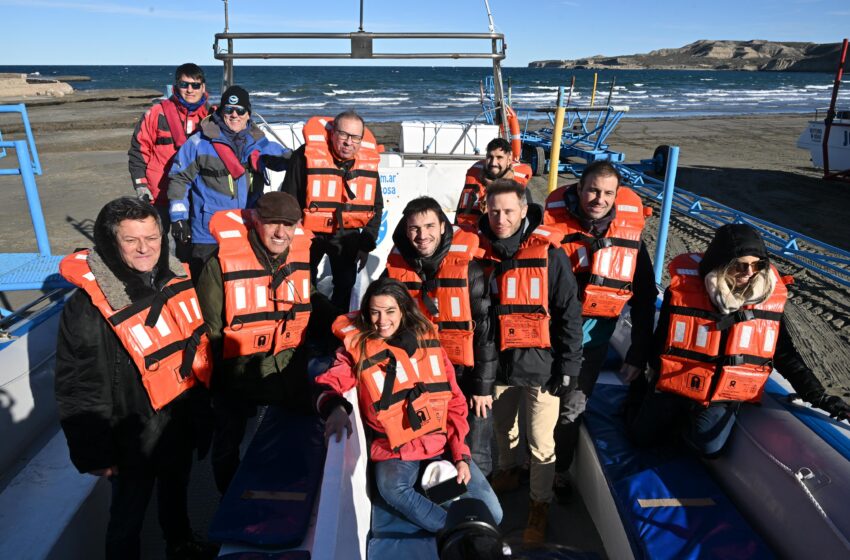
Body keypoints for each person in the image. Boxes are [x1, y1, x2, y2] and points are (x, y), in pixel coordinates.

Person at [55, 197, 216, 560]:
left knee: (177, 491)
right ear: (113, 243)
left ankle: (181, 544)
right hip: (130, 434)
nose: (145, 249)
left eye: (153, 238)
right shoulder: (86, 309)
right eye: (131, 240)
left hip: (177, 419)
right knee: (127, 519)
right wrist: (95, 451)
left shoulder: (172, 278)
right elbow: (79, 386)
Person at [627, 223, 850, 456]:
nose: (749, 272)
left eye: (758, 265)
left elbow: (784, 353)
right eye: (740, 265)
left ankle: (684, 423)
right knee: (640, 437)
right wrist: (647, 372)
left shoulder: (767, 302)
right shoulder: (684, 292)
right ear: (720, 264)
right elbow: (663, 335)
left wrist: (819, 396)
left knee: (709, 446)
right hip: (676, 381)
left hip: (722, 395)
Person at [317, 278, 502, 533]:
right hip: (395, 451)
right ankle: (454, 533)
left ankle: (436, 492)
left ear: (403, 310)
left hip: (438, 446)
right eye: (375, 312)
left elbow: (455, 404)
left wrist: (460, 456)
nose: (382, 321)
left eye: (390, 311)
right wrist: (336, 408)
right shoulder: (356, 348)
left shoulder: (430, 344)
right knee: (392, 488)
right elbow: (331, 381)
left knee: (494, 512)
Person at [196, 191, 340, 493]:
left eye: (289, 225)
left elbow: (309, 298)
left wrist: (342, 324)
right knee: (226, 446)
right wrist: (218, 387)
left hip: (286, 367)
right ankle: (229, 501)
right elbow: (211, 330)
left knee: (303, 428)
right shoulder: (219, 265)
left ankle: (293, 486)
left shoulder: (298, 257)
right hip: (237, 374)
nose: (281, 233)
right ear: (256, 222)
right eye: (273, 223)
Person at [476, 180, 583, 544]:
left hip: (543, 368)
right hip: (499, 365)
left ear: (524, 211)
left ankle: (540, 504)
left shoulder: (551, 257)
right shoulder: (480, 255)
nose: (500, 219)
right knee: (502, 429)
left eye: (508, 211)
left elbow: (569, 314)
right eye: (494, 212)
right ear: (485, 212)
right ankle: (508, 470)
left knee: (540, 443)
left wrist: (569, 368)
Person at [543, 160, 657, 502]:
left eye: (608, 193)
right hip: (546, 336)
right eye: (593, 190)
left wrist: (638, 354)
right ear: (579, 189)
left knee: (571, 410)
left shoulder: (630, 238)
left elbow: (645, 296)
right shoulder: (549, 227)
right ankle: (522, 467)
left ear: (617, 195)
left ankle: (558, 473)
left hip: (591, 343)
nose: (599, 198)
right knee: (535, 404)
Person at [382, 196, 498, 475]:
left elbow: (485, 330)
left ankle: (479, 502)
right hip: (420, 375)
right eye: (414, 228)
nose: (422, 236)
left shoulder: (469, 268)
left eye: (429, 226)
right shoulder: (396, 269)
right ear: (405, 229)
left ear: (443, 228)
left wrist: (482, 388)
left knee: (476, 447)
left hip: (464, 373)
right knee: (430, 443)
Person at [168, 85, 288, 278]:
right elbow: (179, 179)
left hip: (248, 229)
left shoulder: (259, 141)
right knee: (207, 291)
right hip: (208, 234)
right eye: (229, 110)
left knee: (242, 285)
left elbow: (285, 159)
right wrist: (178, 218)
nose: (234, 115)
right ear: (220, 111)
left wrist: (303, 154)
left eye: (240, 110)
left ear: (248, 114)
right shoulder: (199, 143)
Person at [280, 110, 384, 310]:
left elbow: (376, 205)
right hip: (309, 232)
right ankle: (307, 330)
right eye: (343, 134)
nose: (348, 142)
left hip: (347, 234)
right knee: (302, 285)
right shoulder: (304, 156)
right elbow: (288, 198)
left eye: (355, 137)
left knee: (345, 286)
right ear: (332, 133)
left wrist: (365, 244)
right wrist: (292, 237)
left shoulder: (367, 163)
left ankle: (335, 331)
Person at [128, 63, 210, 233]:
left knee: (192, 249)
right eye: (184, 84)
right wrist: (140, 185)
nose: (190, 90)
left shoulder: (212, 117)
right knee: (158, 245)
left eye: (195, 85)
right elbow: (138, 151)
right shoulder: (156, 114)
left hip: (197, 197)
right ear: (175, 87)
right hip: (159, 196)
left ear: (203, 87)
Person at [455, 137, 532, 229]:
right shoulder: (473, 181)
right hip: (471, 234)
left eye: (499, 157)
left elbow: (530, 222)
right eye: (490, 157)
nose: (493, 163)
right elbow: (460, 212)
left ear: (509, 159)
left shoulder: (519, 189)